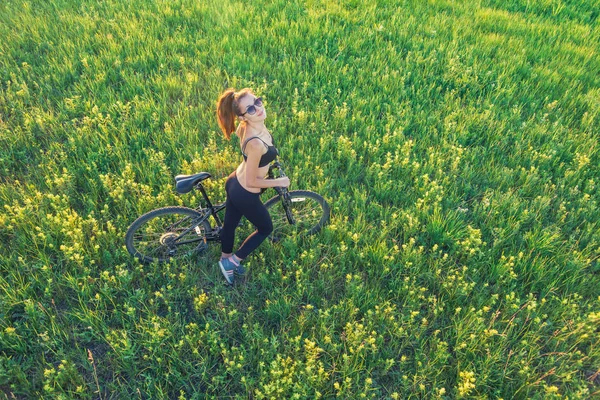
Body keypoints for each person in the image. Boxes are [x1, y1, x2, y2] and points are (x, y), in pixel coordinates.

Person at [215, 88, 290, 285]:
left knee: (229, 225)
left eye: (257, 101)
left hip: (234, 182)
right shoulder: (255, 143)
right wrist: (278, 182)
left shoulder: (247, 127)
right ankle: (232, 262)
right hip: (245, 192)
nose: (258, 108)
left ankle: (224, 257)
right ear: (242, 117)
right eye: (249, 109)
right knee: (265, 228)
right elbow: (251, 181)